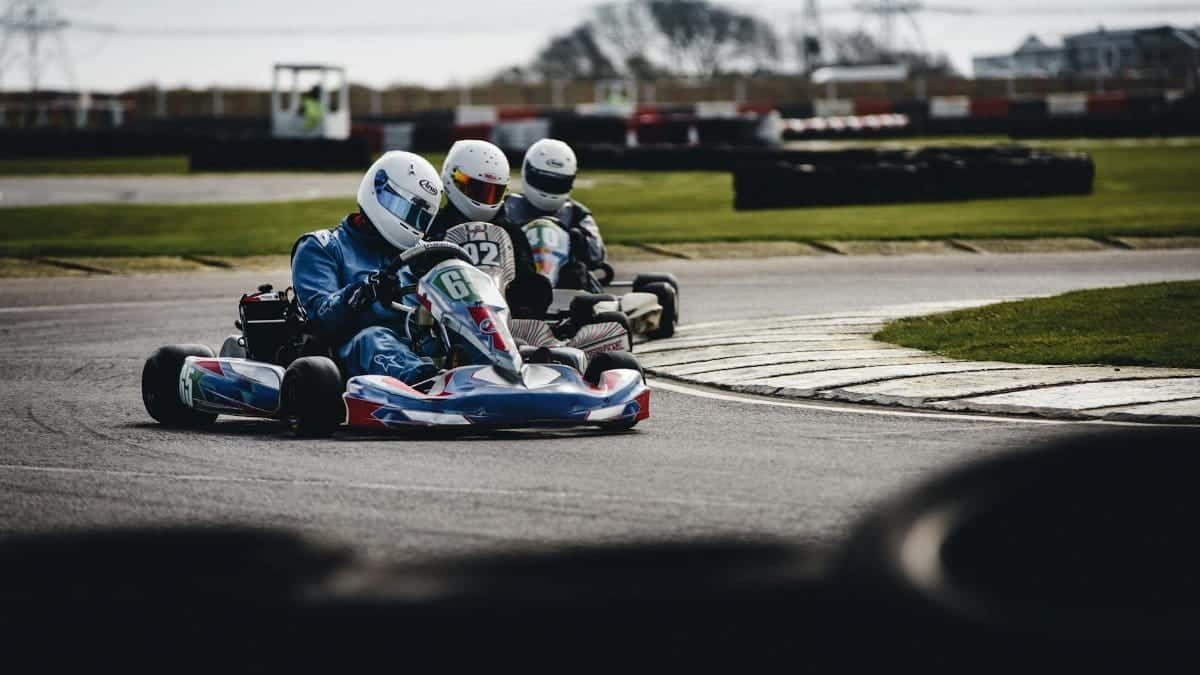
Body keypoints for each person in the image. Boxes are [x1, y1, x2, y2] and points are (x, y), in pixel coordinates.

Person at [291, 151, 444, 384]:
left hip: (418, 343)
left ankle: (500, 372)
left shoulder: (424, 253)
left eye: (419, 217)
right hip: (350, 353)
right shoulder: (323, 246)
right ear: (378, 191)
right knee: (374, 338)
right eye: (405, 210)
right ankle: (425, 384)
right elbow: (320, 319)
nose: (411, 223)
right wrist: (365, 291)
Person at [502, 138, 607, 282]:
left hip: (566, 287)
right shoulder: (506, 207)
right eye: (543, 181)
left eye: (557, 183)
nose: (549, 188)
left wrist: (579, 242)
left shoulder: (577, 214)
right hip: (515, 282)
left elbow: (596, 257)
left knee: (578, 273)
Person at [425, 139, 510, 241]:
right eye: (477, 190)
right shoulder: (433, 227)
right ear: (453, 176)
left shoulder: (510, 231)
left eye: (494, 192)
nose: (485, 198)